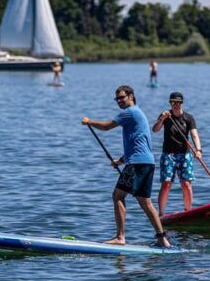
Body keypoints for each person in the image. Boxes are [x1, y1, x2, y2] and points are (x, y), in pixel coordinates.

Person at [82, 85, 171, 248]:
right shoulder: (138, 113)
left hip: (137, 164)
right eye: (117, 99)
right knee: (146, 203)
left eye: (122, 97)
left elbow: (106, 126)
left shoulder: (129, 113)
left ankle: (120, 237)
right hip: (146, 162)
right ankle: (162, 240)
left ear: (131, 96)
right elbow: (138, 143)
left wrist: (89, 122)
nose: (119, 101)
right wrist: (121, 161)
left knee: (118, 196)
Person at [152, 92, 202, 216]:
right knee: (166, 184)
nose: (175, 105)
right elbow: (155, 129)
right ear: (170, 103)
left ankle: (188, 211)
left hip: (184, 154)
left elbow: (194, 135)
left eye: (178, 103)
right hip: (168, 154)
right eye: (173, 102)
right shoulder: (166, 116)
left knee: (186, 184)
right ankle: (161, 214)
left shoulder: (188, 118)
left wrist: (198, 150)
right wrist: (161, 119)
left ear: (182, 103)